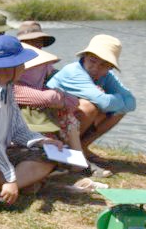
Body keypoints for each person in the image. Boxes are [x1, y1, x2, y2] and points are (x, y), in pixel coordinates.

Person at [0, 35, 62, 206]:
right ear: (9, 66)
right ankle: (10, 186)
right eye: (21, 63)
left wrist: (41, 141)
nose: (24, 68)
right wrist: (10, 176)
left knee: (50, 154)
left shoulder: (7, 87)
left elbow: (17, 128)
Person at [47, 34, 135, 163]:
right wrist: (108, 98)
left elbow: (131, 103)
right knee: (89, 106)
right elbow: (105, 102)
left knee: (118, 111)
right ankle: (66, 152)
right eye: (92, 61)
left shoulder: (107, 75)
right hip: (48, 122)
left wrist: (106, 97)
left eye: (104, 64)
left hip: (69, 121)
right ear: (85, 57)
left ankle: (81, 147)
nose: (96, 68)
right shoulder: (73, 72)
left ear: (110, 67)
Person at [12, 21, 83, 152]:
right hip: (18, 116)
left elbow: (72, 99)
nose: (37, 44)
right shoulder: (13, 67)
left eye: (40, 41)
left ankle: (78, 159)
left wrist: (60, 100)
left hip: (39, 111)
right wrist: (57, 97)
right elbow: (46, 97)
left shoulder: (45, 66)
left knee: (69, 113)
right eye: (32, 41)